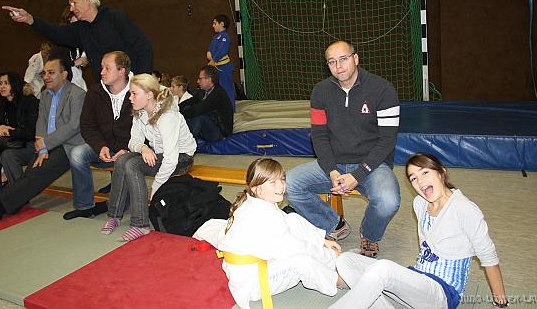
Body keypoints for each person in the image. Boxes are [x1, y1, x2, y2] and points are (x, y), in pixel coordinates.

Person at [329, 153, 508, 309]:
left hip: (443, 293)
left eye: (425, 173)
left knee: (382, 269)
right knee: (346, 260)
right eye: (413, 178)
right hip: (418, 281)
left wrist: (500, 303)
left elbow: (489, 258)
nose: (420, 181)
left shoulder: (464, 209)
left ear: (442, 172)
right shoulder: (420, 203)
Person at [285, 40, 400, 258]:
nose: (338, 66)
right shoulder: (320, 92)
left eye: (343, 59)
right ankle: (334, 224)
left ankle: (370, 235)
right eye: (332, 62)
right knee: (288, 184)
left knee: (388, 201)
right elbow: (319, 136)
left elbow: (387, 141)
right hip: (333, 164)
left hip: (372, 166)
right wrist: (331, 170)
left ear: (355, 59)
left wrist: (358, 175)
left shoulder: (383, 90)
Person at [195, 158, 343, 309]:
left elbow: (291, 224)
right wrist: (331, 257)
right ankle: (339, 281)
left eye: (282, 179)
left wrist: (322, 241)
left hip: (256, 263)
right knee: (302, 262)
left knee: (292, 219)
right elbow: (295, 249)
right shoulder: (266, 216)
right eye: (272, 183)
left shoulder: (254, 203)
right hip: (253, 282)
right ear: (256, 188)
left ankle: (331, 259)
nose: (281, 186)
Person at [0, 57, 86, 221]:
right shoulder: (45, 95)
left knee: (38, 172)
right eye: (44, 73)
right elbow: (41, 122)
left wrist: (45, 143)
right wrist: (42, 147)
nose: (46, 77)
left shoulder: (77, 94)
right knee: (31, 173)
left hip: (70, 145)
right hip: (47, 144)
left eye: (51, 73)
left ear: (64, 74)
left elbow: (73, 126)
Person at [100, 73, 197, 241]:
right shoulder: (141, 112)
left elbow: (171, 159)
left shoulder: (168, 116)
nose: (130, 98)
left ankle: (140, 224)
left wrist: (155, 187)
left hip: (181, 158)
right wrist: (143, 148)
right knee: (122, 160)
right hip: (161, 155)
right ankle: (114, 215)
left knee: (132, 165)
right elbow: (133, 141)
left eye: (134, 94)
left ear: (149, 95)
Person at [2, 0, 153, 81]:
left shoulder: (115, 18)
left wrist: (141, 79)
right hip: (105, 87)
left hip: (130, 82)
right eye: (70, 4)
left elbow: (143, 45)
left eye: (74, 3)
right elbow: (55, 33)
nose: (71, 8)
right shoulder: (81, 29)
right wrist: (30, 19)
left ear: (87, 1)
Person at [62, 51, 133, 220]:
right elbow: (87, 126)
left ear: (122, 71)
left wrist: (127, 149)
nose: (101, 72)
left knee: (124, 167)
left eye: (107, 68)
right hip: (104, 147)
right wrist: (100, 146)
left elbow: (147, 127)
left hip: (132, 148)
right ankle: (85, 206)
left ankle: (121, 201)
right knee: (77, 153)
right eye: (102, 68)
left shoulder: (138, 91)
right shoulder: (94, 93)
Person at [0, 71, 39, 197]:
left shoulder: (30, 101)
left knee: (8, 155)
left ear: (15, 84)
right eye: (0, 83)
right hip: (8, 143)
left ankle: (19, 195)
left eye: (6, 83)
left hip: (29, 144)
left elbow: (32, 132)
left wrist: (9, 131)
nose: (2, 86)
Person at [180, 65, 233, 142]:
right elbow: (189, 101)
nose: (197, 81)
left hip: (220, 132)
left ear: (209, 79)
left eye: (200, 79)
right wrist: (176, 109)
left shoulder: (218, 94)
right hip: (209, 126)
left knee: (198, 116)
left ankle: (188, 143)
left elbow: (198, 110)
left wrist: (181, 113)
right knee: (189, 112)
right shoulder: (203, 92)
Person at [52, 7, 88, 91]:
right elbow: (56, 64)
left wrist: (84, 59)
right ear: (69, 19)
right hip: (65, 81)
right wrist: (76, 62)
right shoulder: (61, 39)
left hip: (77, 78)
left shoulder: (79, 38)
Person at [207, 14, 235, 109]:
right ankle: (221, 107)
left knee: (226, 87)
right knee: (218, 88)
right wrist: (208, 52)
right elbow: (211, 47)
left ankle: (231, 108)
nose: (213, 25)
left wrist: (213, 60)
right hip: (217, 67)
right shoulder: (216, 37)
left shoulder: (225, 36)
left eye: (215, 23)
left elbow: (223, 50)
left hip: (224, 67)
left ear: (222, 24)